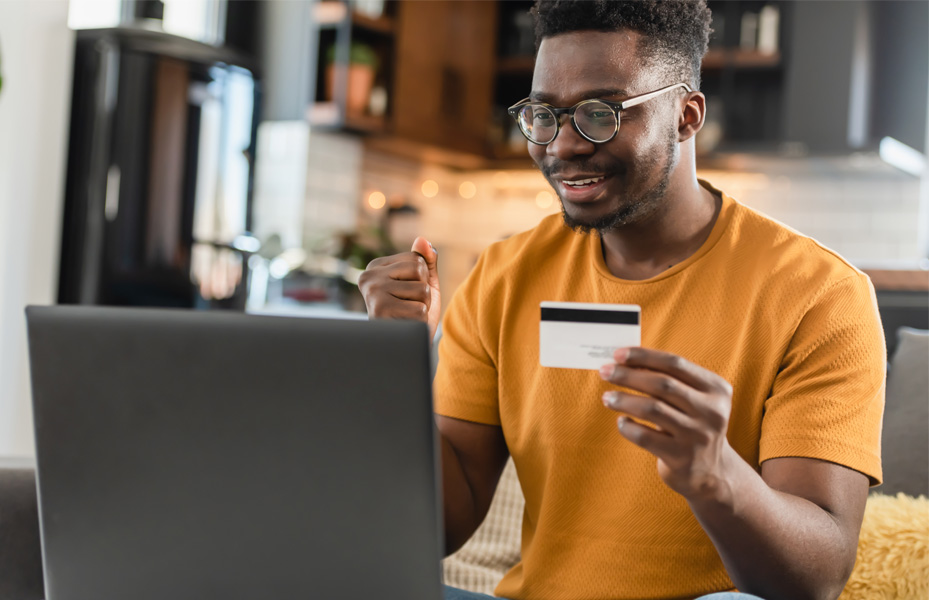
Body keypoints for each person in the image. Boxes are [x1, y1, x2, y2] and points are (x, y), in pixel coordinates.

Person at [358, 1, 885, 599]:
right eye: (543, 115)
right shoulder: (502, 277)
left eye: (600, 113)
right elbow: (443, 525)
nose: (563, 145)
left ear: (686, 116)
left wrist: (716, 476)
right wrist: (391, 364)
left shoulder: (820, 294)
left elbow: (817, 578)